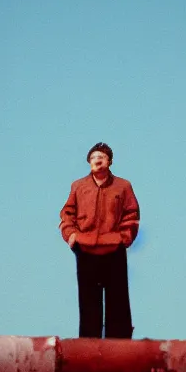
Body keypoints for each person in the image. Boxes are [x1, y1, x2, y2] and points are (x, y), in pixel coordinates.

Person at [59, 142, 139, 339]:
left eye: (101, 157)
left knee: (117, 301)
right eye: (94, 157)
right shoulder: (78, 186)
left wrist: (124, 237)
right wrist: (71, 236)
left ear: (109, 161)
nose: (97, 160)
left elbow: (132, 213)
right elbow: (67, 214)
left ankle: (120, 349)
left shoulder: (123, 186)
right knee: (88, 302)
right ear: (89, 162)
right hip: (86, 249)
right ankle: (89, 347)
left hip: (113, 248)